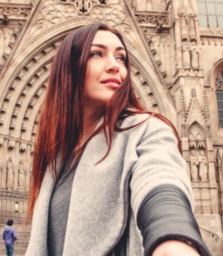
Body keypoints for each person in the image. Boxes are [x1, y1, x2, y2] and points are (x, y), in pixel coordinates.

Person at [25, 23, 211, 256]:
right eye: (97, 54)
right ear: (69, 67)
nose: (115, 66)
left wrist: (172, 237)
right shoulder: (57, 156)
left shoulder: (146, 130)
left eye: (121, 58)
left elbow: (160, 179)